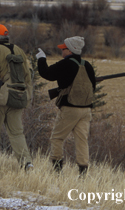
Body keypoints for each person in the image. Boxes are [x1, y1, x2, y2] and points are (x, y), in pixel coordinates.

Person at [36, 36, 95, 176]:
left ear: (70, 50)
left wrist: (41, 59)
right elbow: (93, 86)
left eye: (64, 48)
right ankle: (83, 173)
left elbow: (47, 74)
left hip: (69, 108)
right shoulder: (87, 65)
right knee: (82, 140)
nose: (62, 50)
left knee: (57, 138)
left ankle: (57, 171)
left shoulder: (65, 64)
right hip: (86, 110)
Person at [0, 23, 34, 170]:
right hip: (18, 97)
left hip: (0, 98)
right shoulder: (18, 50)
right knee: (17, 133)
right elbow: (27, 77)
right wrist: (27, 97)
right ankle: (27, 163)